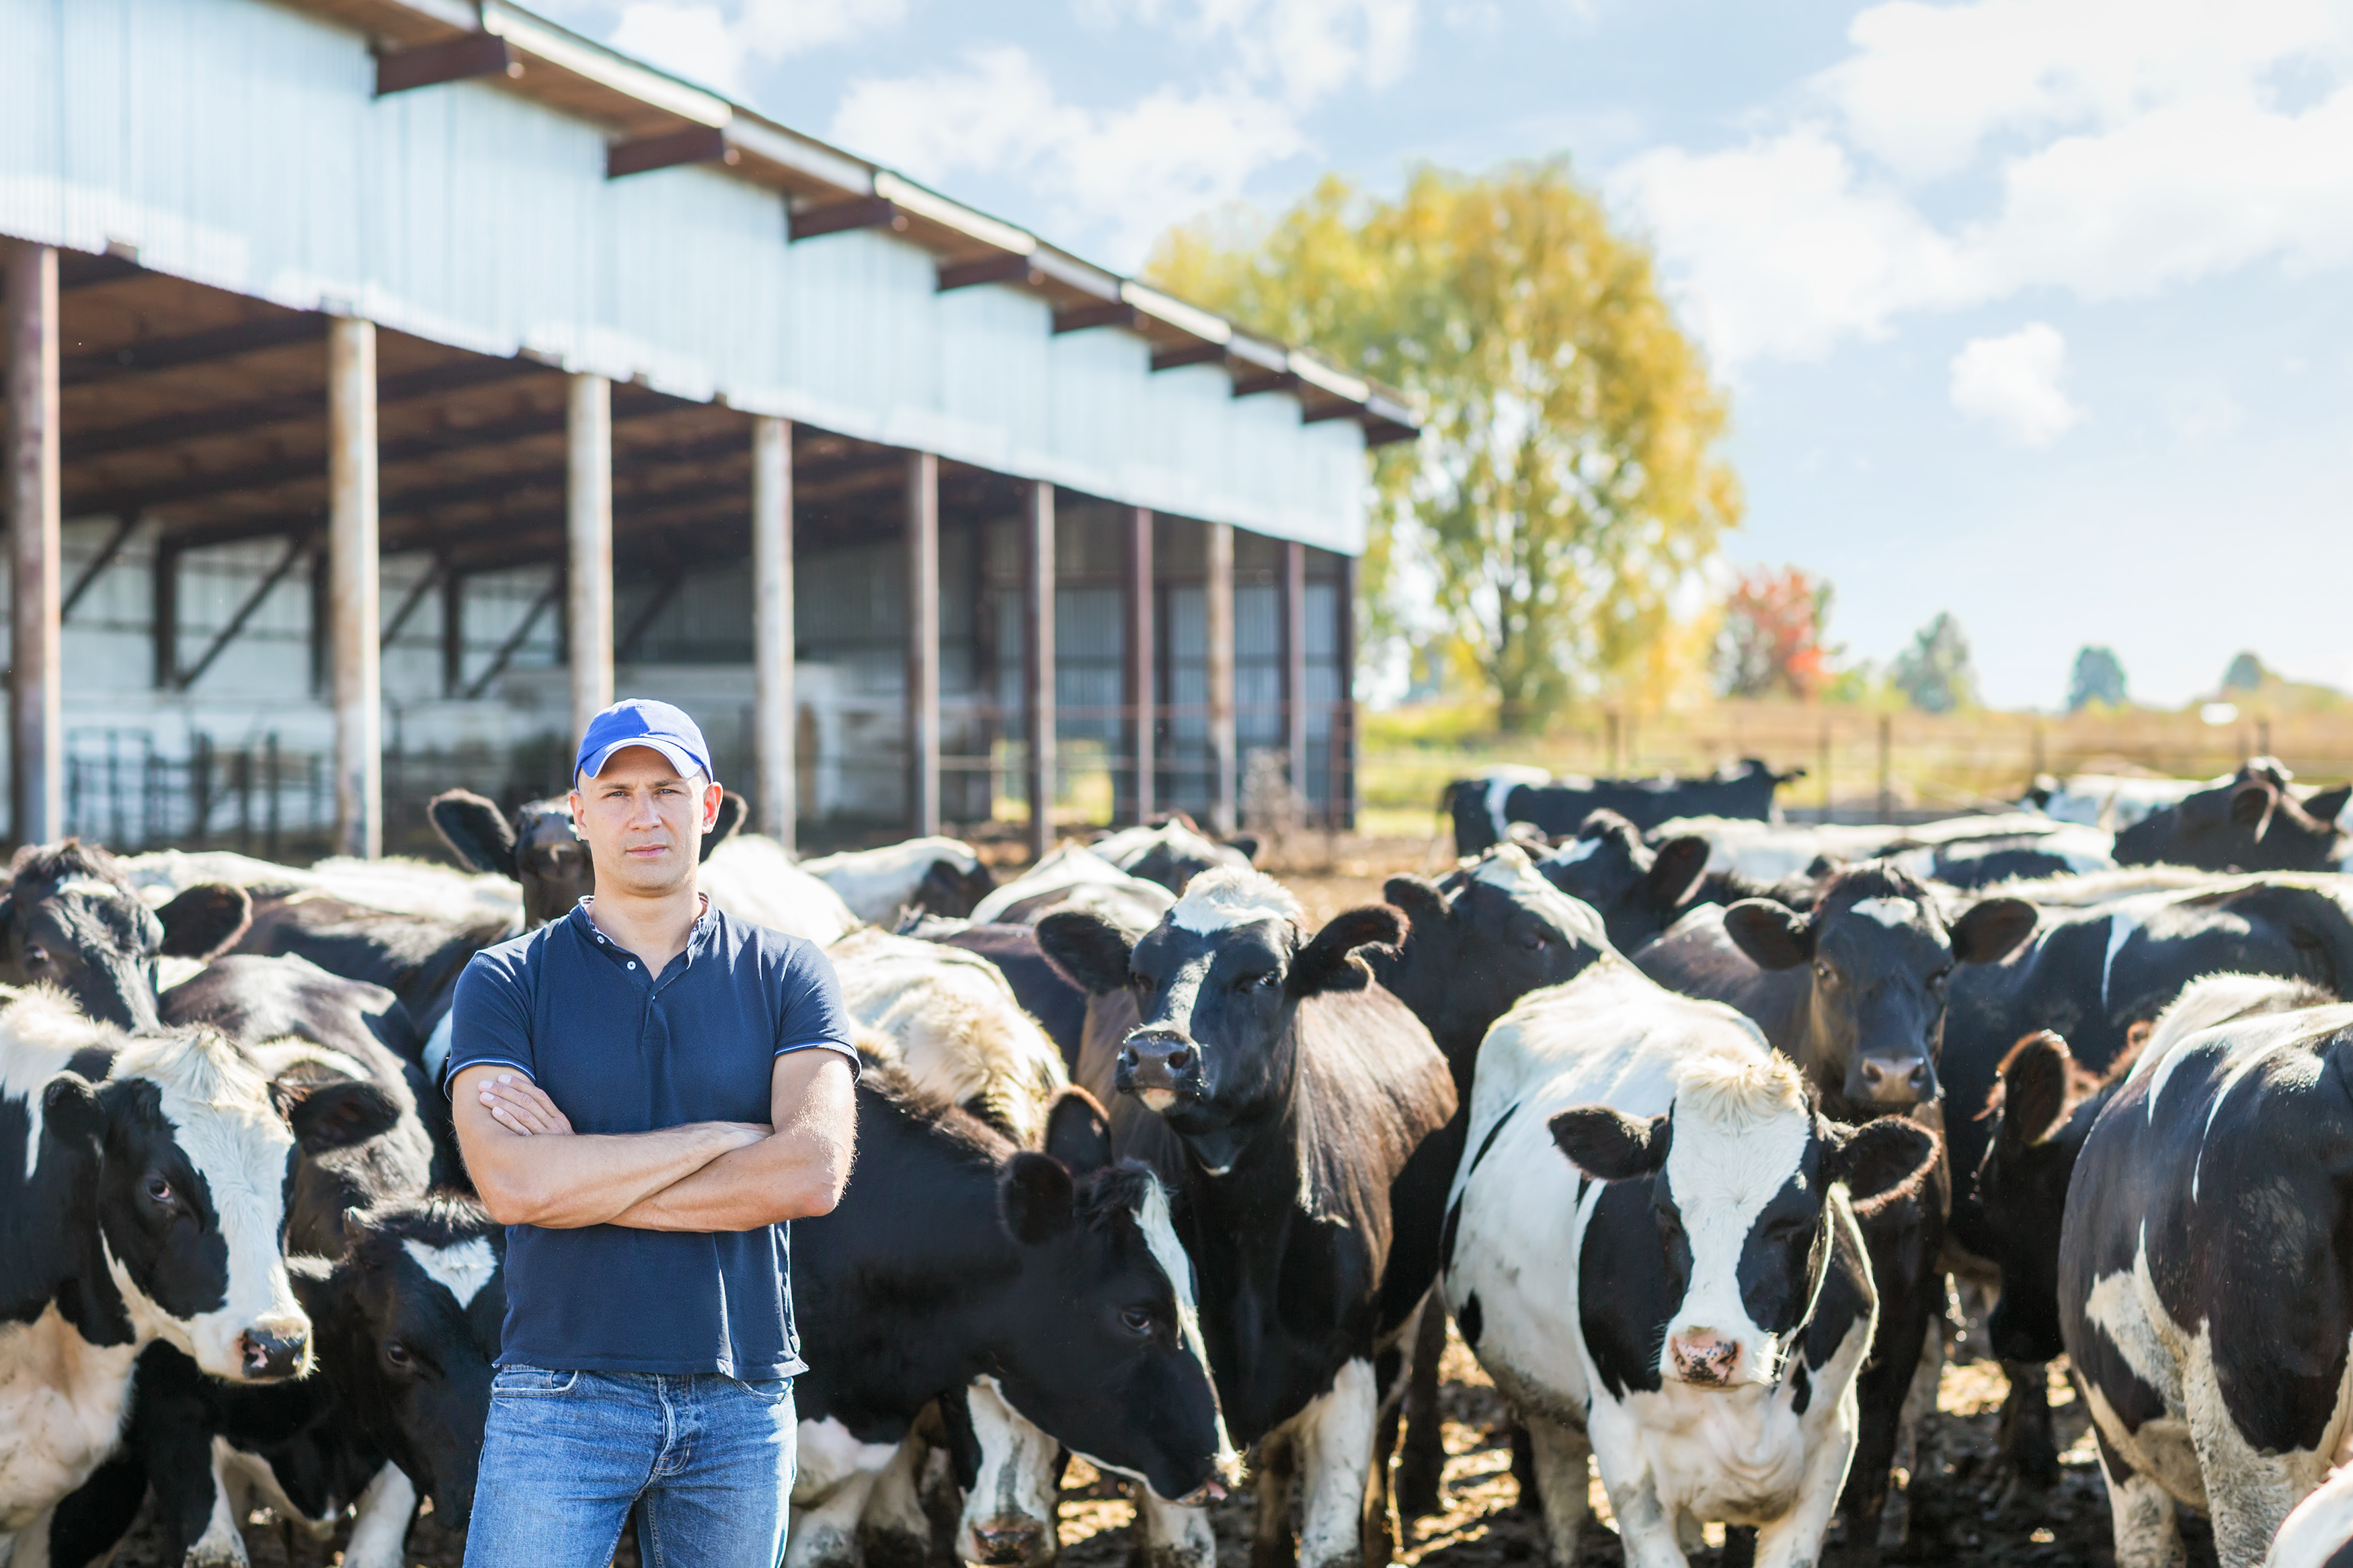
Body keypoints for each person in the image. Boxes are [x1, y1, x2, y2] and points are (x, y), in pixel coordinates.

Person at [445, 698, 859, 1567]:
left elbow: (811, 1172)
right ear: (579, 810)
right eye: (619, 791)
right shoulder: (505, 979)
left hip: (741, 1394)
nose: (645, 814)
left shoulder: (790, 972)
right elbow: (513, 1185)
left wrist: (582, 1183)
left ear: (708, 807)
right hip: (560, 1389)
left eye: (667, 790)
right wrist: (722, 1136)